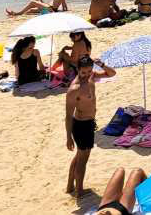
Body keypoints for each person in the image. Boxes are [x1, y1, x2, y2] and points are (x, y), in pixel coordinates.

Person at [65, 55, 116, 199]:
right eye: (83, 73)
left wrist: (101, 64)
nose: (86, 75)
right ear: (78, 70)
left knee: (80, 155)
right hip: (81, 125)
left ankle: (70, 186)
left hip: (89, 123)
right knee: (83, 158)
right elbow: (68, 115)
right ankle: (80, 191)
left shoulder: (91, 76)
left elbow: (112, 73)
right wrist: (68, 137)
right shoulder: (74, 89)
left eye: (89, 72)